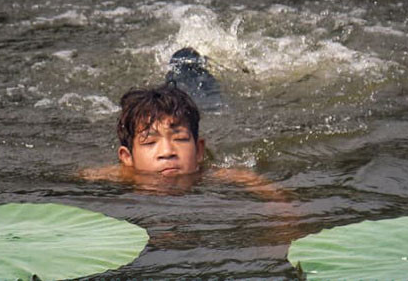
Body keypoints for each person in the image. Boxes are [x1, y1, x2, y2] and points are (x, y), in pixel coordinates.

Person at [80, 79, 287, 200]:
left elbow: (260, 186)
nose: (167, 152)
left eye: (179, 139)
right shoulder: (119, 176)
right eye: (150, 142)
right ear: (127, 157)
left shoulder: (210, 174)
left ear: (199, 151)